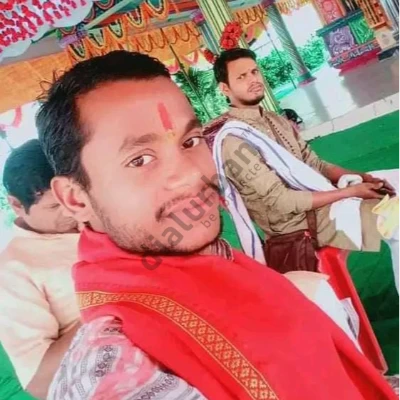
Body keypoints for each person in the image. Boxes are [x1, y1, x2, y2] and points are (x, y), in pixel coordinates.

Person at [37, 51, 396, 400]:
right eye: (140, 160)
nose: (191, 175)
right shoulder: (114, 360)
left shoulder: (212, 255)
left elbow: (311, 162)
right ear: (75, 199)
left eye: (190, 142)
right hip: (297, 223)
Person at [206, 48, 398, 272]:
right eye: (242, 76)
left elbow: (316, 164)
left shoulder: (276, 120)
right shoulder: (233, 141)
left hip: (322, 199)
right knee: (397, 221)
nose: (253, 80)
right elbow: (283, 202)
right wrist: (351, 192)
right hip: (297, 224)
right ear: (225, 88)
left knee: (395, 181)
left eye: (254, 72)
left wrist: (363, 177)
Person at [0, 139, 81, 400]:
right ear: (16, 205)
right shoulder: (13, 270)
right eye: (54, 206)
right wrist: (105, 309)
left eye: (74, 194)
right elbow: (39, 382)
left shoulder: (93, 214)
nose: (71, 210)